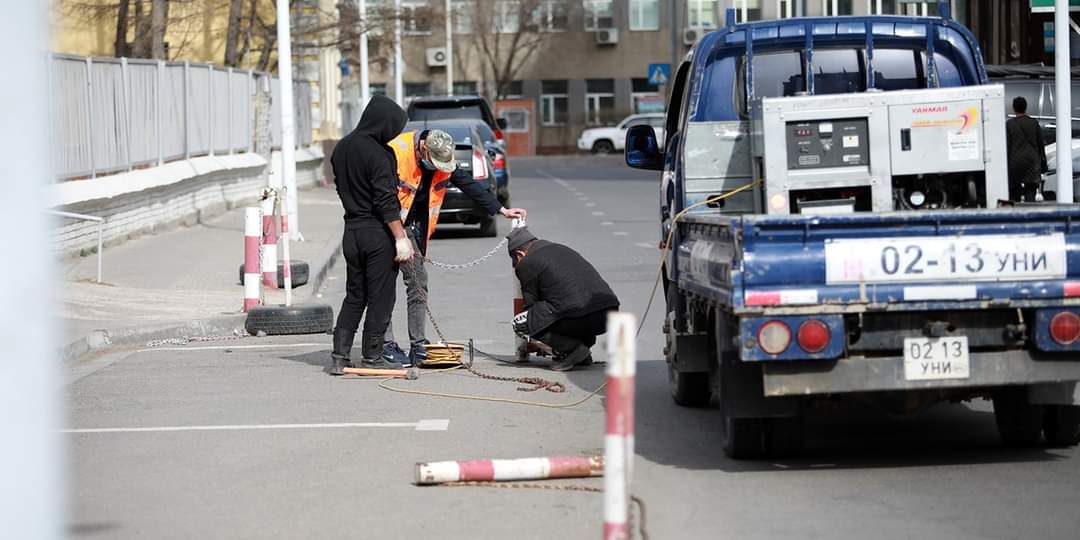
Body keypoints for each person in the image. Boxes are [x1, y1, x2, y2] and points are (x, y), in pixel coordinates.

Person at [382, 128, 527, 367]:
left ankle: (418, 344)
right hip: (387, 227)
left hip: (414, 228)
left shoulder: (441, 158)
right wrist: (397, 235)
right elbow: (380, 195)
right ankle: (386, 344)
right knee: (384, 287)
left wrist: (501, 210)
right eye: (436, 163)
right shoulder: (397, 151)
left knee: (418, 283)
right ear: (424, 149)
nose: (440, 168)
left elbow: (468, 184)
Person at [327, 96, 416, 376]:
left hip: (351, 230)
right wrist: (400, 237)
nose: (393, 134)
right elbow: (385, 201)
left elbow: (342, 188)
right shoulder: (379, 153)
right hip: (377, 233)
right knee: (381, 296)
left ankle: (340, 355)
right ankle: (373, 355)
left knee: (355, 295)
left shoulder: (342, 148)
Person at [507, 226, 620, 371]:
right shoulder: (561, 248)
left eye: (515, 261)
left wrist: (541, 341)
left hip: (580, 316)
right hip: (608, 313)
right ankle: (582, 353)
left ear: (519, 254)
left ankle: (573, 350)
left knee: (522, 322)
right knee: (561, 308)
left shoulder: (527, 263)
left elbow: (531, 305)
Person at [1006, 96, 1048, 202]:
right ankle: (1030, 212)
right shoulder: (1033, 123)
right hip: (1032, 162)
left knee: (1014, 191)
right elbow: (1040, 145)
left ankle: (1015, 214)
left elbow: (1007, 145)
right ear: (1025, 107)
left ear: (1014, 108)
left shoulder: (1009, 125)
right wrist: (1043, 163)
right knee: (1030, 192)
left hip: (1015, 162)